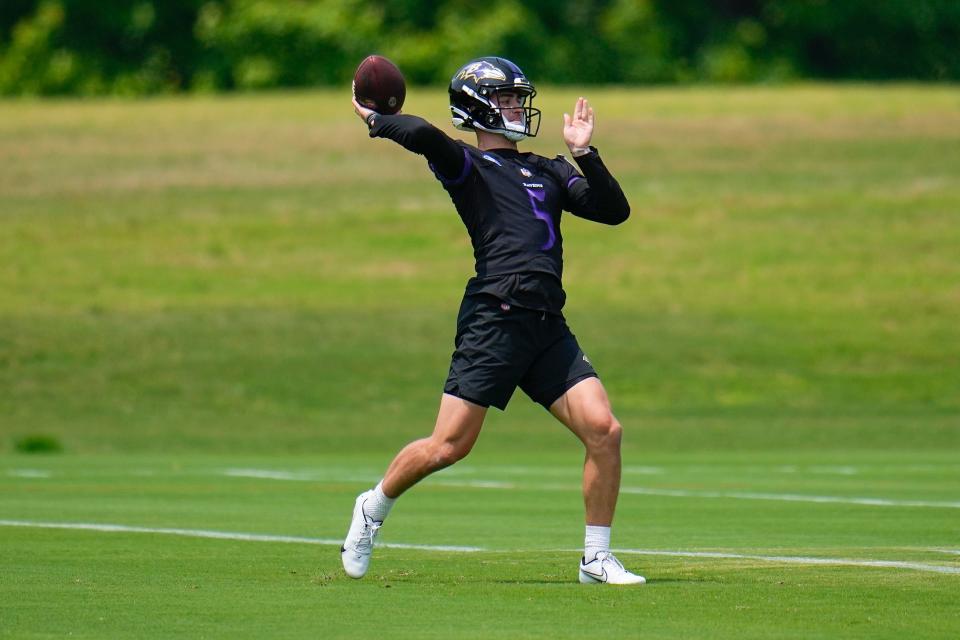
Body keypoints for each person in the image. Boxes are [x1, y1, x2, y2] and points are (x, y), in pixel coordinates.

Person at [342, 56, 644, 585]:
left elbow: (612, 210)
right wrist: (375, 119)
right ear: (478, 108)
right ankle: (373, 506)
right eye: (505, 98)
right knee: (449, 446)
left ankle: (595, 558)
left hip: (546, 322)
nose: (517, 107)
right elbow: (422, 135)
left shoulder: (547, 169)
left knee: (605, 430)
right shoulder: (468, 166)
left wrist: (584, 154)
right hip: (496, 317)